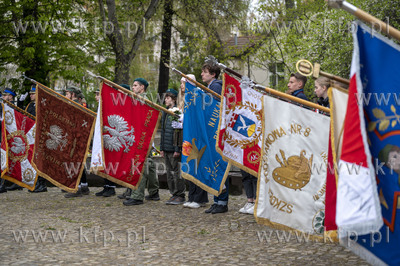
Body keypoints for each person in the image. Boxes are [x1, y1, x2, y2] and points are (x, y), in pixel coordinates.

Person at [123, 78, 160, 206]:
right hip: (142, 137)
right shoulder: (137, 99)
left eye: (135, 85)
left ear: (142, 87)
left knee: (140, 164)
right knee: (148, 164)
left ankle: (137, 195)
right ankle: (154, 191)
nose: (132, 88)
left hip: (142, 137)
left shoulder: (143, 100)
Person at [201, 62, 229, 214]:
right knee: (213, 166)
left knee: (219, 166)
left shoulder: (216, 86)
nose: (202, 75)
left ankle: (222, 202)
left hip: (216, 133)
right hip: (212, 133)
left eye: (205, 72)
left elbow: (216, 110)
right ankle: (217, 200)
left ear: (213, 74)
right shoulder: (211, 87)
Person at [178, 75, 209, 209]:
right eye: (181, 83)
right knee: (190, 165)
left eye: (184, 83)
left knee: (198, 166)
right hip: (188, 137)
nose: (182, 86)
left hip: (198, 136)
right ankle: (191, 196)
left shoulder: (198, 94)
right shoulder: (184, 98)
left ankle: (200, 198)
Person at [64, 86, 90, 197]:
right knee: (79, 162)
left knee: (75, 162)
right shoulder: (76, 104)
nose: (66, 96)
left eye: (67, 94)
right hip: (78, 137)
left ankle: (76, 188)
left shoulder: (74, 105)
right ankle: (84, 185)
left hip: (75, 138)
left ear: (72, 94)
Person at [160, 88, 185, 205]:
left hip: (173, 148)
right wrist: (162, 148)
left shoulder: (177, 112)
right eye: (165, 97)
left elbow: (178, 132)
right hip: (166, 147)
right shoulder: (165, 111)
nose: (165, 100)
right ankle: (173, 193)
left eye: (168, 98)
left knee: (176, 172)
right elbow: (163, 131)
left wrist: (177, 149)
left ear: (174, 99)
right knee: (169, 173)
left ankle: (180, 194)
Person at [24, 86, 48, 193]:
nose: (31, 95)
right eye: (30, 94)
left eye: (33, 94)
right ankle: (35, 182)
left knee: (40, 160)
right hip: (31, 136)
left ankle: (42, 184)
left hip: (39, 135)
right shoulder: (29, 105)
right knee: (33, 159)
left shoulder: (41, 105)